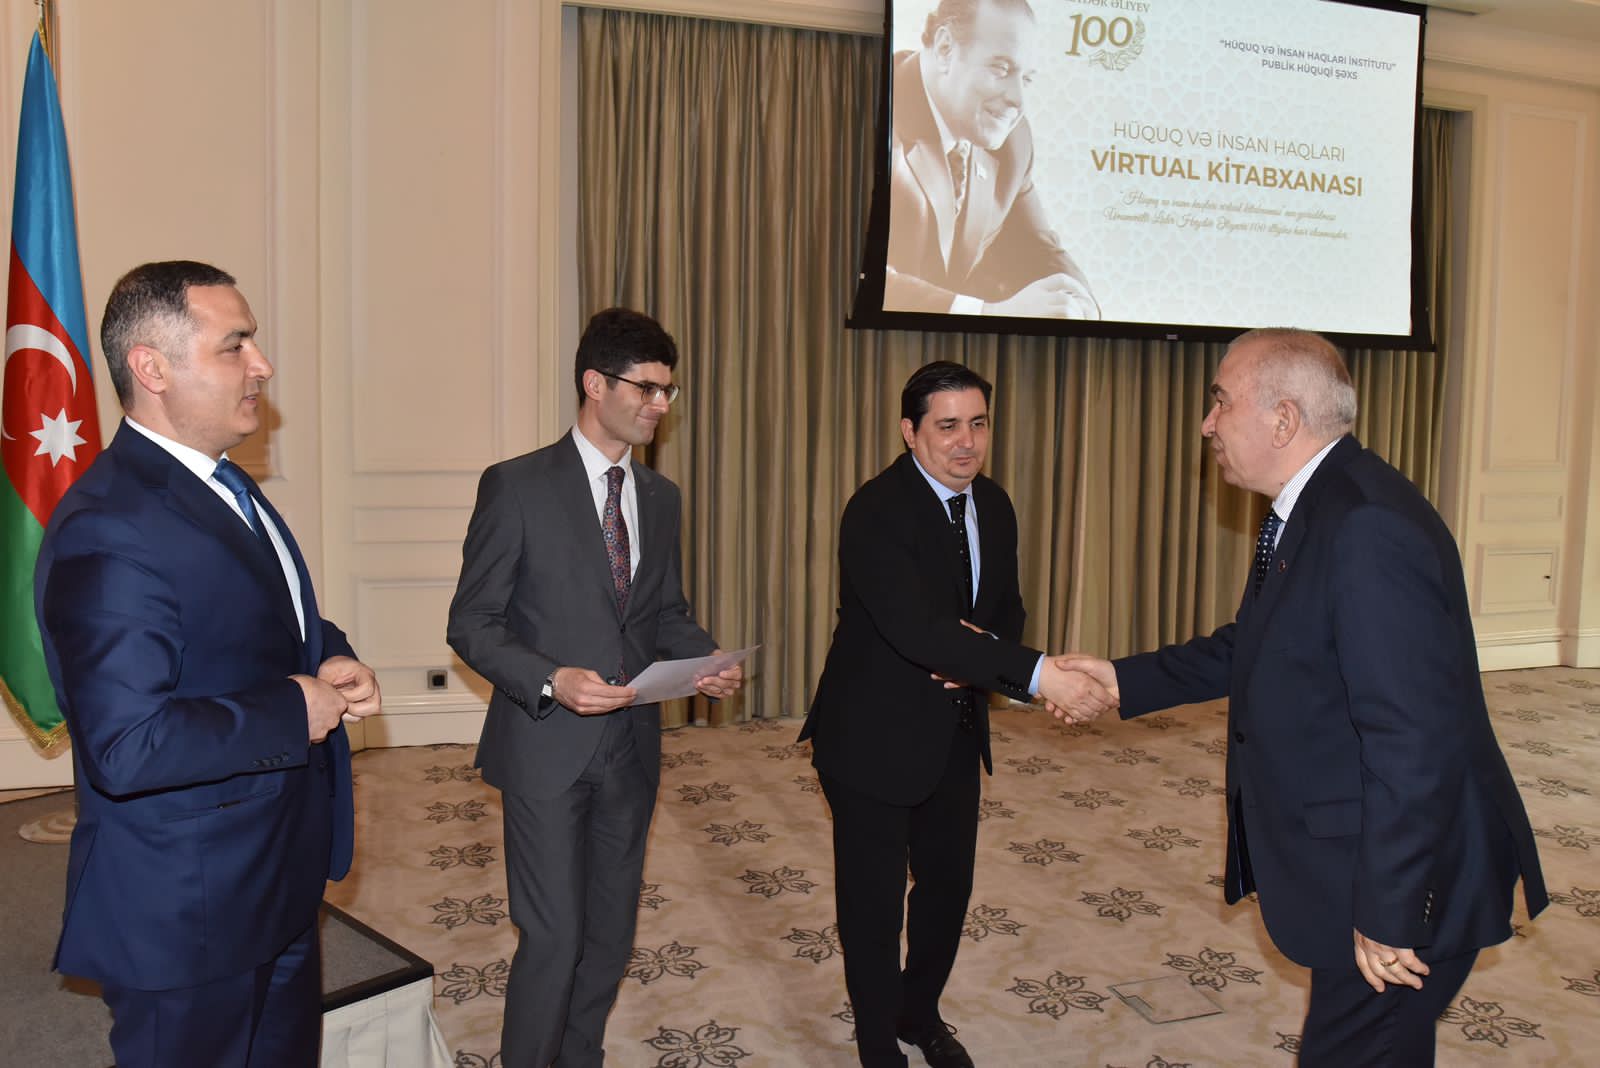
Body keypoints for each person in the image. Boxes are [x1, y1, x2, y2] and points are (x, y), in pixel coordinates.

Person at [1056, 329, 1547, 1066]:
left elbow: (1411, 738)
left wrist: (1389, 912)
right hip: (1365, 861)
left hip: (1403, 884)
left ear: (1283, 420)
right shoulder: (1320, 505)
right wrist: (1126, 679)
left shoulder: (1364, 526)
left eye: (1221, 402)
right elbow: (1261, 644)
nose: (1207, 424)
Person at [33, 260, 382, 1067]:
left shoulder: (220, 482)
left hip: (272, 878)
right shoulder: (109, 526)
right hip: (187, 915)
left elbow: (261, 619)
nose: (262, 365)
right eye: (236, 345)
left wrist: (332, 654)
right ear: (152, 368)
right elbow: (127, 745)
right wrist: (292, 709)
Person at [447, 307, 743, 1067]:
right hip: (545, 747)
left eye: (668, 390)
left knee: (610, 934)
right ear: (594, 383)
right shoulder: (516, 486)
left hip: (631, 748)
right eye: (646, 388)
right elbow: (472, 623)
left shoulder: (660, 497)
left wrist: (705, 659)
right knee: (554, 936)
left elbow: (662, 613)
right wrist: (551, 678)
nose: (660, 404)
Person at [801, 361, 1114, 1068]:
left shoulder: (994, 504)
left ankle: (919, 1013)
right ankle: (878, 1044)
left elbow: (1006, 612)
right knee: (874, 904)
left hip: (955, 732)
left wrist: (978, 655)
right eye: (947, 427)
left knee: (947, 889)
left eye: (978, 424)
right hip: (872, 737)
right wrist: (1031, 674)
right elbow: (914, 629)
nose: (966, 442)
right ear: (910, 432)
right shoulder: (876, 510)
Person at [884, 0, 1099, 320]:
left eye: (1027, 79)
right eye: (1002, 69)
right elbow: (859, 273)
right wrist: (986, 310)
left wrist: (1081, 309)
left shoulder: (1012, 141)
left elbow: (1037, 250)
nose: (1018, 100)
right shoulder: (873, 104)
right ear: (945, 48)